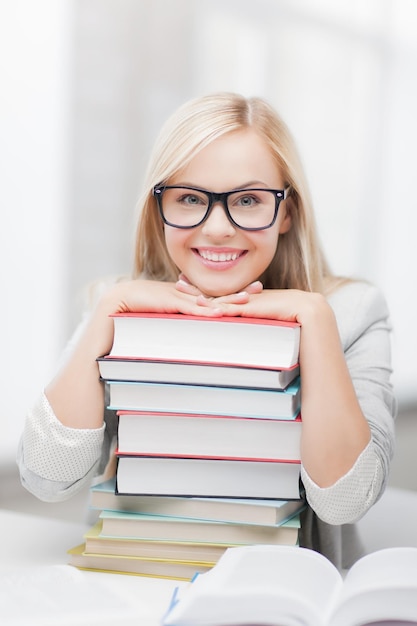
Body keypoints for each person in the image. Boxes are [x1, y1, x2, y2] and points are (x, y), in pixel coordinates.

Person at [17, 92, 396, 569]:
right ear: (159, 208)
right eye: (191, 198)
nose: (217, 229)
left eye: (249, 200)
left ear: (287, 213)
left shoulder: (352, 311)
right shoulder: (116, 302)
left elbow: (345, 501)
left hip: (284, 597)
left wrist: (315, 321)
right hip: (137, 585)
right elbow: (49, 479)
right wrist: (109, 313)